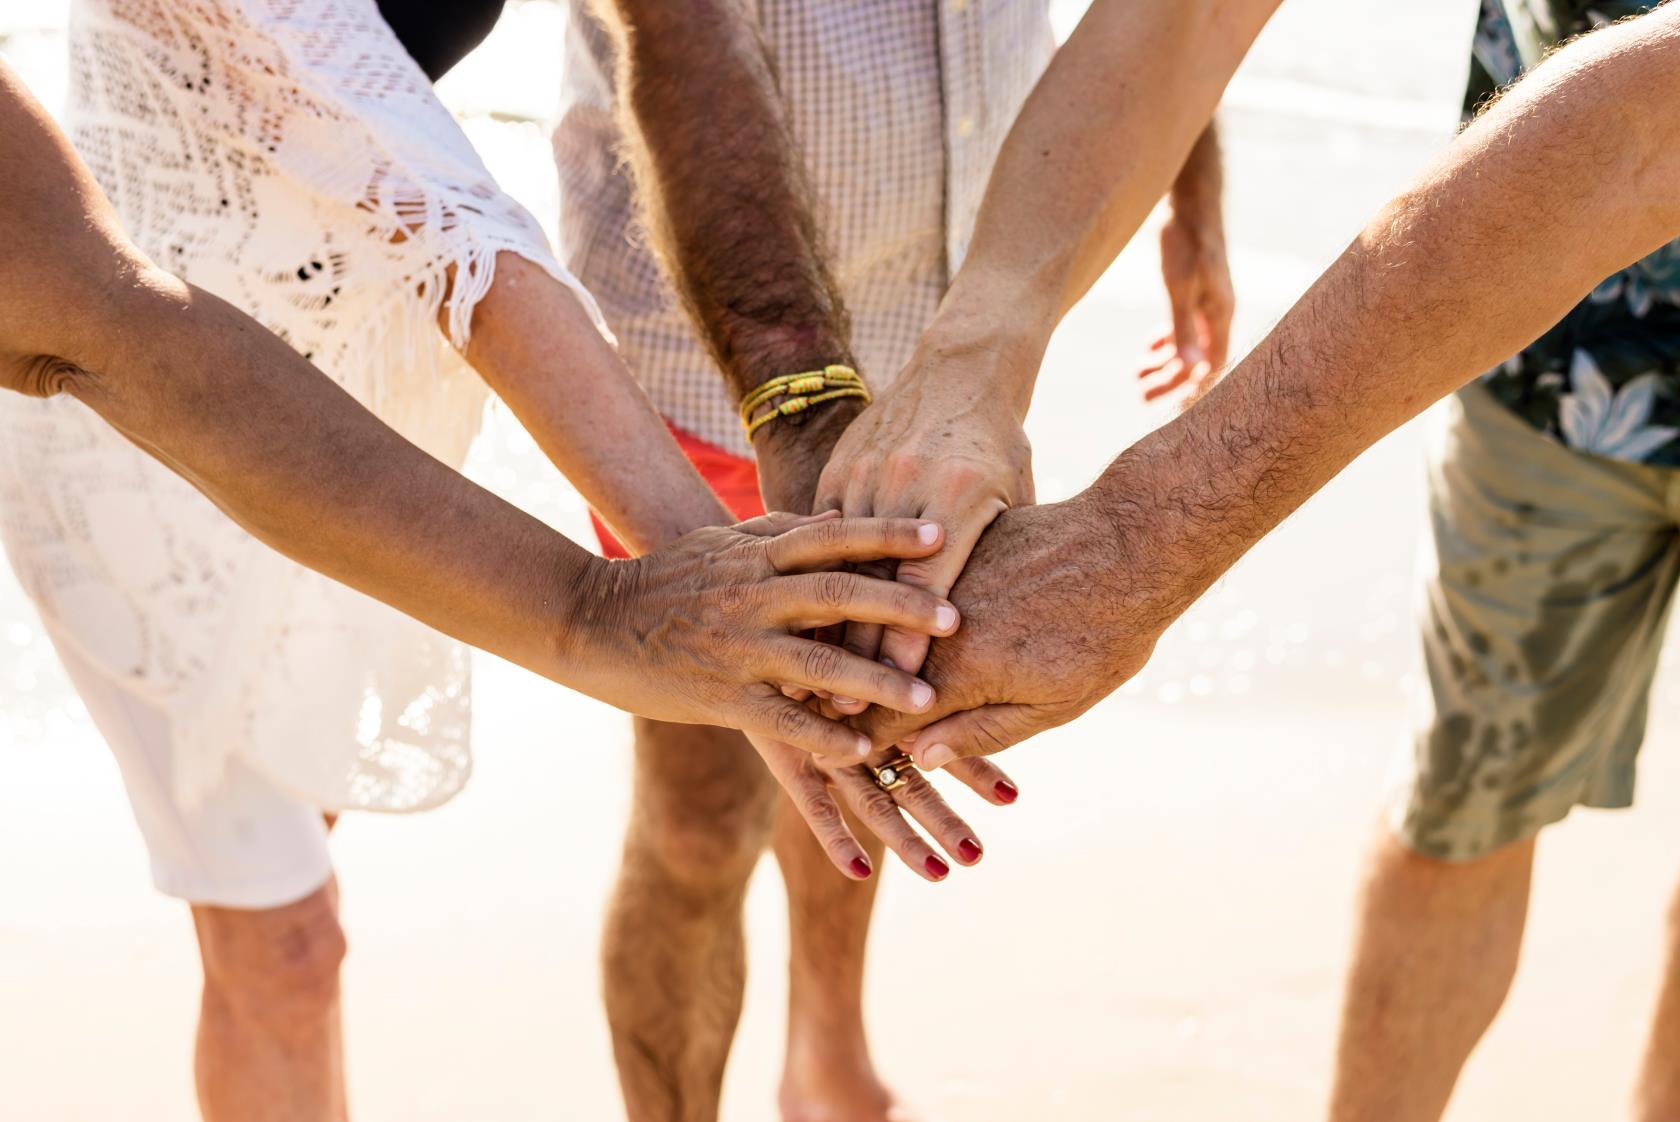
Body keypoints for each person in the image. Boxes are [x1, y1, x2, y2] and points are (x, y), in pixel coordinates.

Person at [0, 11, 974, 1121]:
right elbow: (432, 199)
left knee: (295, 896)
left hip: (364, 413)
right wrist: (648, 591)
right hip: (142, 413)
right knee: (281, 941)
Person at [848, 0, 1680, 1115]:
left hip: (1588, 170)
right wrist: (971, 356)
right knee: (1464, 803)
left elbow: (1646, 128)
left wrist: (1134, 542)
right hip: (1544, 338)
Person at [553, 2, 1228, 1116]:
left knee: (868, 713)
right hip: (703, 349)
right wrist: (800, 397)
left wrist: (1191, 194)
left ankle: (827, 1060)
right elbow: (678, 25)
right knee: (700, 817)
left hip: (954, 323)